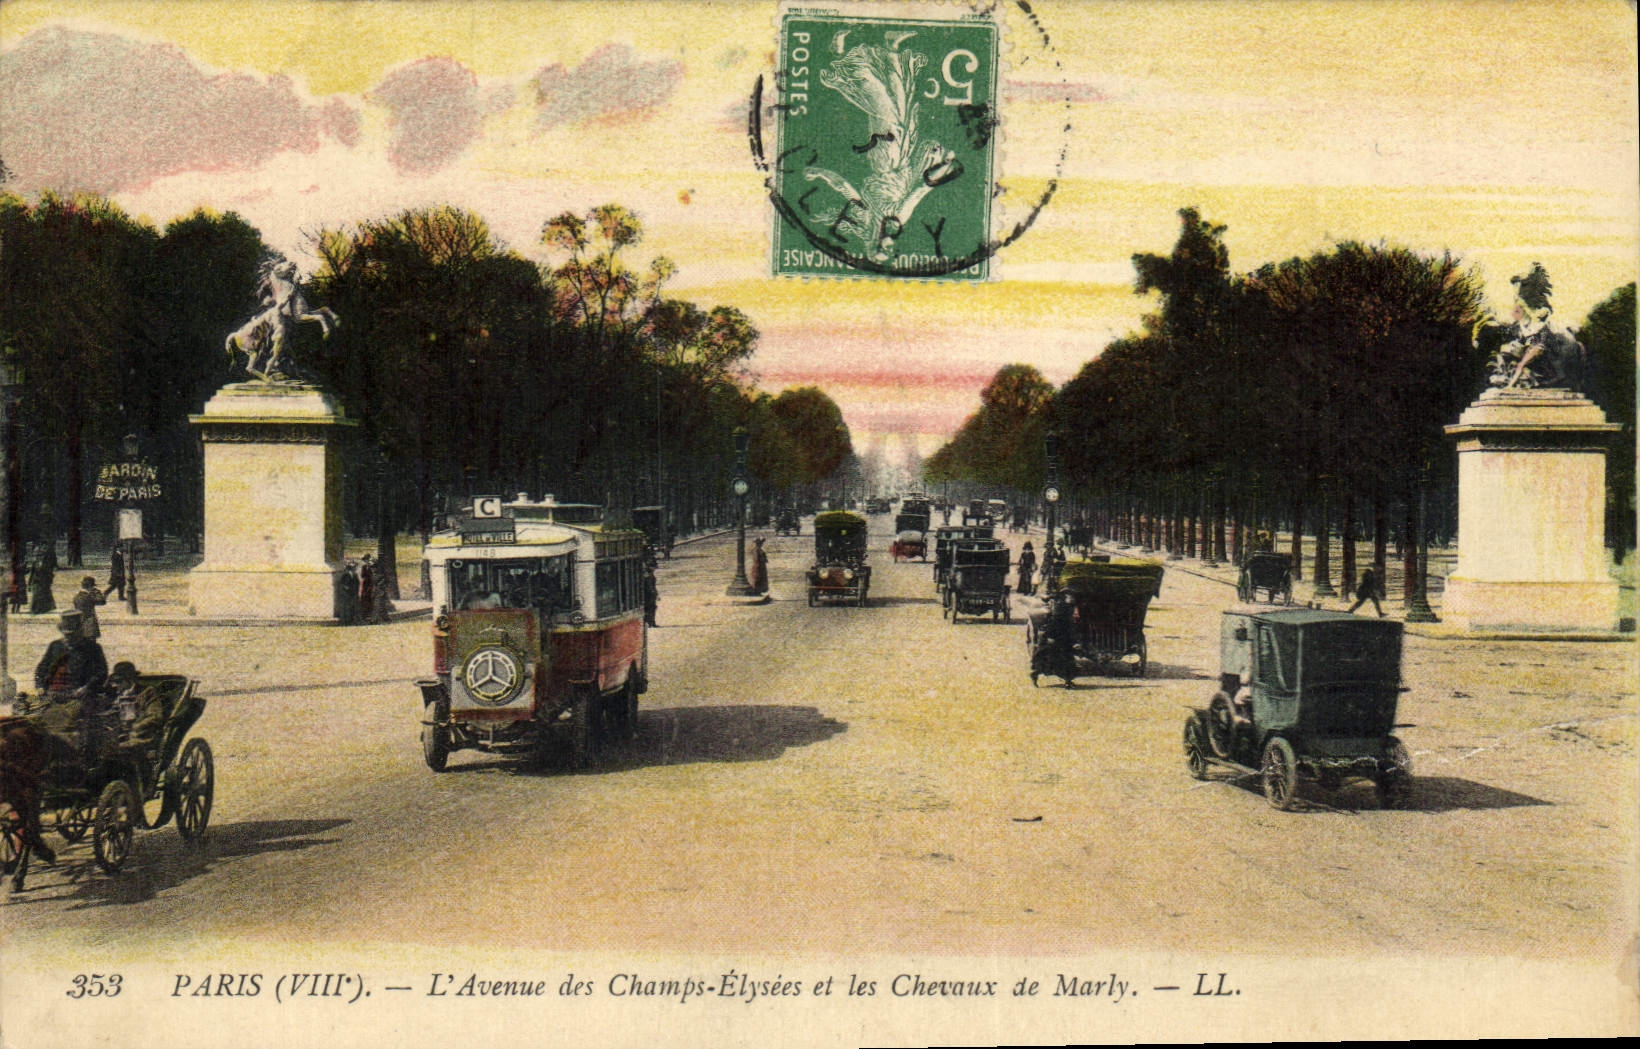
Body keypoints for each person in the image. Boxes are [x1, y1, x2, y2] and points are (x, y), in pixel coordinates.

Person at [29, 612, 110, 767]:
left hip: (80, 696)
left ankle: (83, 761)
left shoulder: (92, 648)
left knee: (79, 723)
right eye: (65, 634)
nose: (68, 638)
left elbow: (101, 673)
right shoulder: (55, 646)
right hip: (53, 695)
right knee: (34, 720)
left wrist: (86, 688)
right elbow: (41, 669)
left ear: (80, 631)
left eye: (72, 634)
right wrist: (40, 687)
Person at [106, 661, 166, 751]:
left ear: (130, 680)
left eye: (119, 681)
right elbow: (112, 713)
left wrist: (135, 727)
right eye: (114, 682)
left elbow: (155, 716)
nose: (115, 685)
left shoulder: (147, 693)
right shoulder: (119, 696)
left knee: (118, 748)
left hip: (142, 735)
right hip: (121, 735)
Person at [27, 543, 56, 615]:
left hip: (44, 581)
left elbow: (50, 572)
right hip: (36, 581)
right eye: (38, 555)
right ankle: (34, 610)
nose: (39, 556)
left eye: (40, 555)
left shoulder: (47, 563)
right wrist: (29, 583)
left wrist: (50, 580)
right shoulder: (35, 563)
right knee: (36, 595)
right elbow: (32, 573)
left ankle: (43, 609)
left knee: (43, 595)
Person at [358, 555, 376, 624]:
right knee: (364, 599)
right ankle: (364, 615)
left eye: (368, 560)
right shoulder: (364, 567)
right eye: (366, 560)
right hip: (365, 586)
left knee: (369, 600)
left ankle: (369, 615)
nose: (367, 561)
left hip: (369, 585)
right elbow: (363, 576)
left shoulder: (370, 567)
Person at [642, 555, 659, 627]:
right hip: (649, 594)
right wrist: (655, 593)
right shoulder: (648, 575)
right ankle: (651, 622)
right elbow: (650, 586)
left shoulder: (647, 574)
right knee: (651, 607)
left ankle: (650, 622)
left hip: (648, 594)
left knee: (650, 608)